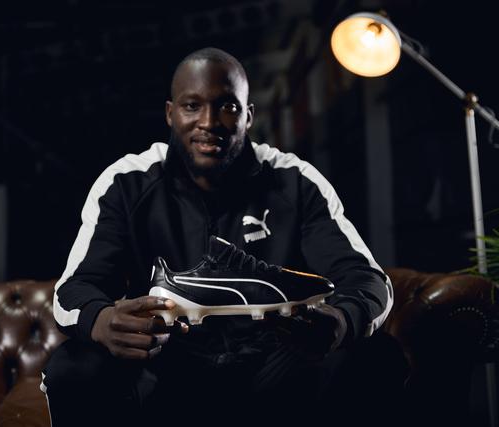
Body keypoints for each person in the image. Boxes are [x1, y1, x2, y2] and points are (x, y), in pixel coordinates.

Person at [41, 47, 399, 426]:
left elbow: (368, 279)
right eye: (192, 106)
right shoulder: (126, 182)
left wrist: (341, 321)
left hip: (275, 368)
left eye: (227, 106)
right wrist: (102, 321)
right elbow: (74, 289)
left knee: (376, 356)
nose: (209, 122)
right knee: (74, 366)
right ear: (170, 113)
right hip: (166, 368)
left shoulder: (295, 181)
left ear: (248, 116)